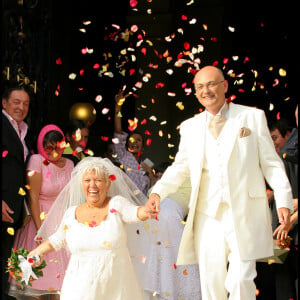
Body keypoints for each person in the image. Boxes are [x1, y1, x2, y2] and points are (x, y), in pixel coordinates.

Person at [146, 65, 293, 300]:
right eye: (200, 87)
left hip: (244, 211)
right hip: (207, 214)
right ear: (195, 92)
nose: (206, 91)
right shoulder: (190, 127)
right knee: (211, 281)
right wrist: (157, 193)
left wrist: (284, 200)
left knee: (241, 278)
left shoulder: (251, 117)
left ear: (224, 86)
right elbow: (180, 167)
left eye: (211, 84)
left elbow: (271, 163)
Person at [25, 157, 151, 300]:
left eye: (98, 180)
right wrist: (38, 251)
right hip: (79, 289)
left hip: (115, 289)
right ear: (81, 184)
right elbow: (57, 239)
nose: (92, 185)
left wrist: (146, 210)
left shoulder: (117, 204)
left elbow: (133, 213)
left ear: (108, 184)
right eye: (87, 181)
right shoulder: (71, 213)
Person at [8, 124, 74, 299]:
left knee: (62, 286)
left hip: (62, 223)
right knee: (38, 284)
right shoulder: (36, 160)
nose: (53, 151)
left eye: (57, 146)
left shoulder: (69, 163)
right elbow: (33, 198)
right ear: (41, 145)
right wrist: (41, 231)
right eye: (49, 147)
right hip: (40, 221)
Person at [140, 162, 202, 300]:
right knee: (165, 258)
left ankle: (164, 291)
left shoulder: (192, 176)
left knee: (167, 258)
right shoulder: (157, 188)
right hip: (156, 218)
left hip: (169, 217)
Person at [1, 85, 32, 300]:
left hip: (12, 209)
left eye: (25, 103)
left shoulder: (23, 130)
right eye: (16, 102)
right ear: (4, 103)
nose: (21, 107)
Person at [268, 117, 298, 300]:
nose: (273, 143)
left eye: (275, 137)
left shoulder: (287, 156)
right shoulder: (277, 161)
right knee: (282, 279)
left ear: (288, 135)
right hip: (282, 233)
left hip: (285, 230)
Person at [113, 88, 155, 195]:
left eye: (139, 140)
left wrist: (150, 173)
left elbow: (151, 191)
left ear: (143, 147)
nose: (135, 142)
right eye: (132, 140)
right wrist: (118, 106)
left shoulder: (145, 166)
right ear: (127, 145)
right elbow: (118, 130)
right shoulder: (123, 156)